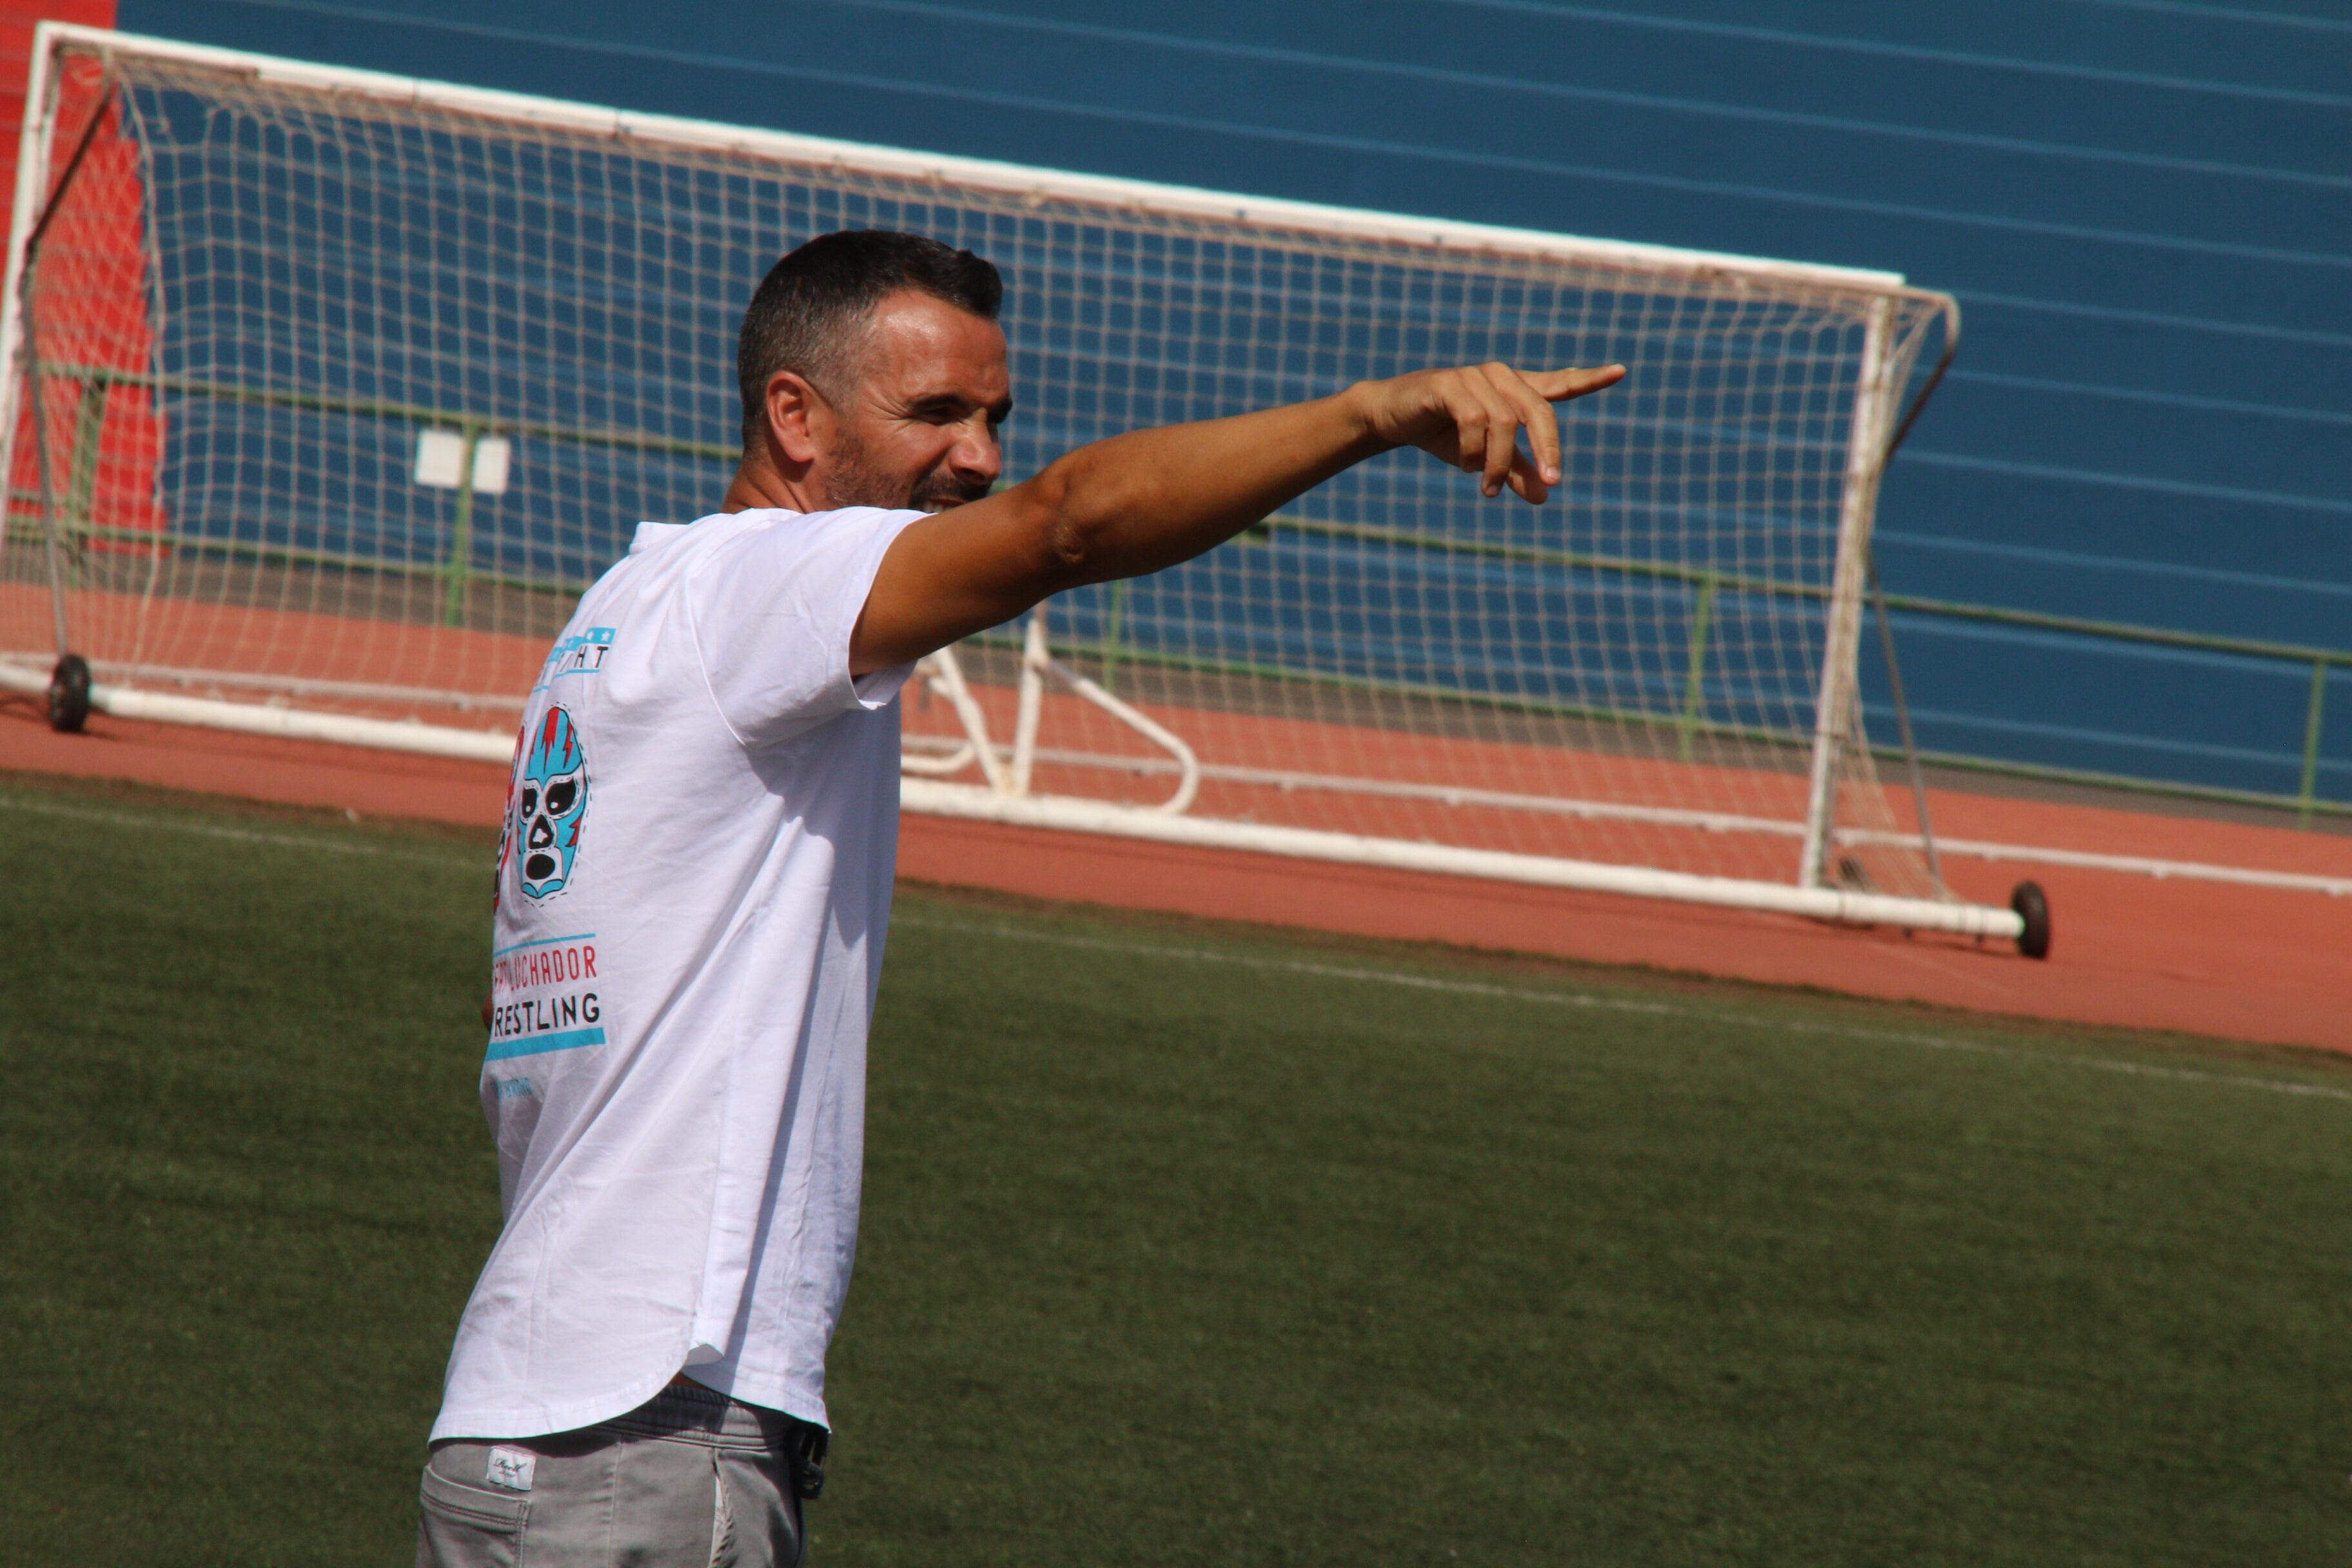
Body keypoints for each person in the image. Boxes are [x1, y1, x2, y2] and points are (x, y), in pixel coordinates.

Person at [416, 228, 1623, 1565]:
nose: (979, 456)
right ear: (795, 418)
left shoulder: (620, 613)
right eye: (936, 412)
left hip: (518, 1419)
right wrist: (1371, 414)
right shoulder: (768, 583)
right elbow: (1063, 527)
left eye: (996, 416)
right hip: (647, 1441)